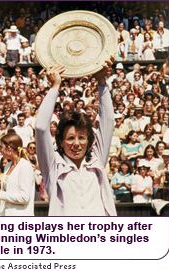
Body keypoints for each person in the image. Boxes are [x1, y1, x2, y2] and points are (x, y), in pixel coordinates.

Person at [35, 60, 117, 216]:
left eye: (82, 138)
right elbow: (40, 127)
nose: (77, 144)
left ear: (89, 140)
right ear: (60, 141)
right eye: (70, 138)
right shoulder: (53, 166)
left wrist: (101, 81)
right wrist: (55, 87)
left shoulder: (96, 160)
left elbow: (108, 120)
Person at [0, 133, 35, 216]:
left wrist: (0, 194)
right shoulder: (7, 167)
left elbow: (24, 198)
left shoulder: (25, 166)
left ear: (9, 148)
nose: (0, 151)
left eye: (1, 147)